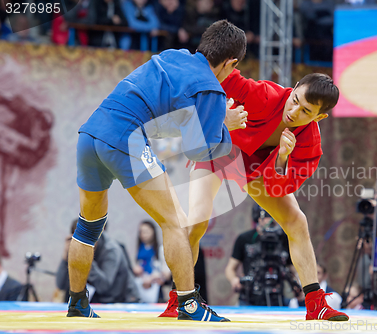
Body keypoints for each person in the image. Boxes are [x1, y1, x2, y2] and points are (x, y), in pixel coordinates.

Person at [68, 20, 247, 321]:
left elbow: (166, 118)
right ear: (231, 62)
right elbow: (198, 150)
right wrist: (223, 124)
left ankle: (77, 304)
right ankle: (189, 305)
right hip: (126, 136)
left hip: (91, 133)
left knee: (88, 226)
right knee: (174, 221)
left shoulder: (172, 55)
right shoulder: (210, 89)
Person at [162, 70, 349, 321]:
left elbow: (279, 188)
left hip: (256, 172)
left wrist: (282, 157)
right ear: (293, 88)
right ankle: (179, 298)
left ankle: (316, 304)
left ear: (320, 117)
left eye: (306, 111)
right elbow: (224, 76)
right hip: (219, 153)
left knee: (297, 222)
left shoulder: (309, 144)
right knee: (196, 221)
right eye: (295, 100)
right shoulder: (265, 94)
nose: (294, 112)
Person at [224, 205, 297, 306]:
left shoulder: (283, 238)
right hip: (249, 298)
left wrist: (298, 284)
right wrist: (234, 280)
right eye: (268, 215)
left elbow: (291, 267)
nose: (272, 219)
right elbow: (230, 268)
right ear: (258, 218)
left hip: (277, 297)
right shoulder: (245, 238)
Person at [57, 220, 140, 303]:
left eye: (85, 239)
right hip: (99, 301)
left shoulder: (111, 249)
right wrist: (65, 257)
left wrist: (87, 259)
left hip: (124, 300)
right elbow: (61, 285)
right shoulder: (75, 249)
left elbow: (104, 286)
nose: (82, 244)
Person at [133, 220, 171, 303]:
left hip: (156, 289)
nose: (143, 235)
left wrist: (154, 276)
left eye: (146, 232)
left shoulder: (160, 249)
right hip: (141, 287)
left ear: (153, 232)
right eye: (141, 232)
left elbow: (167, 273)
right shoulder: (139, 249)